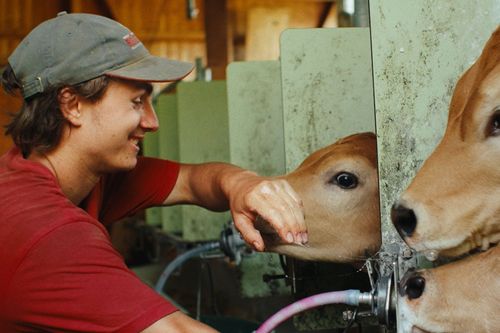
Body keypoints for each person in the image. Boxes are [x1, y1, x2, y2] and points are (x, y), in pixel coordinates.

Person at [0, 12, 307, 333]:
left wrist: (244, 186)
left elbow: (193, 181)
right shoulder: (48, 233)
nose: (152, 122)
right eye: (137, 102)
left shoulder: (75, 175)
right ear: (72, 105)